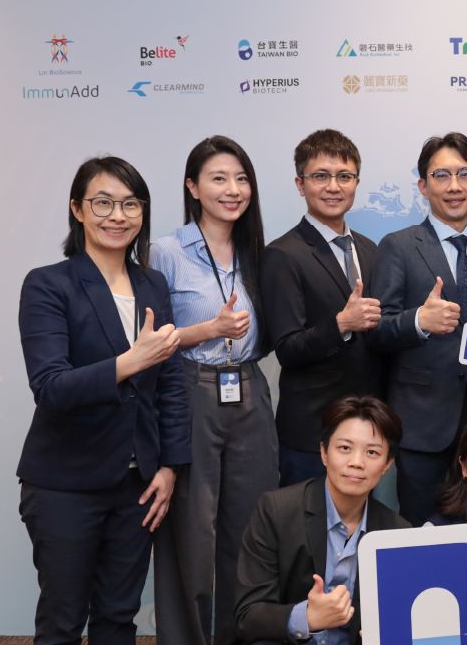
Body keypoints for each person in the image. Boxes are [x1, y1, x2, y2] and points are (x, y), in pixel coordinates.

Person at [16, 156, 190, 644]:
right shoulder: (48, 284)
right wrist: (129, 362)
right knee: (63, 621)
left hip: (138, 485)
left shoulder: (152, 283)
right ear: (77, 209)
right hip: (65, 483)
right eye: (103, 203)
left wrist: (170, 467)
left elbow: (171, 383)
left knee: (118, 617)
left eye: (131, 204)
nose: (118, 216)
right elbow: (51, 387)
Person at [151, 136, 278, 645]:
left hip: (248, 389)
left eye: (241, 179)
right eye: (219, 178)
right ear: (193, 187)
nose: (233, 190)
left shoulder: (257, 252)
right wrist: (209, 330)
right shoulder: (166, 252)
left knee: (250, 528)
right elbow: (146, 340)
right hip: (192, 390)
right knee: (191, 532)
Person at [370, 132, 467, 525]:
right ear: (423, 185)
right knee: (422, 532)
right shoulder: (398, 246)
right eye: (441, 175)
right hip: (422, 423)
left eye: (465, 174)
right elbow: (377, 331)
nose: (454, 186)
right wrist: (420, 321)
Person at [234, 396, 411, 644]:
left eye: (372, 452)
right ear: (324, 453)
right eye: (345, 448)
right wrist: (306, 617)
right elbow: (247, 616)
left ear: (387, 465)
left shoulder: (396, 533)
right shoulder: (277, 511)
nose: (356, 462)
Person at [260, 129, 383, 487]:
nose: (333, 187)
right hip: (311, 432)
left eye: (344, 176)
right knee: (304, 520)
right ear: (300, 185)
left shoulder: (370, 249)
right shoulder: (282, 255)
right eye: (320, 176)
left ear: (356, 182)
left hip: (367, 427)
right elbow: (288, 348)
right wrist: (341, 323)